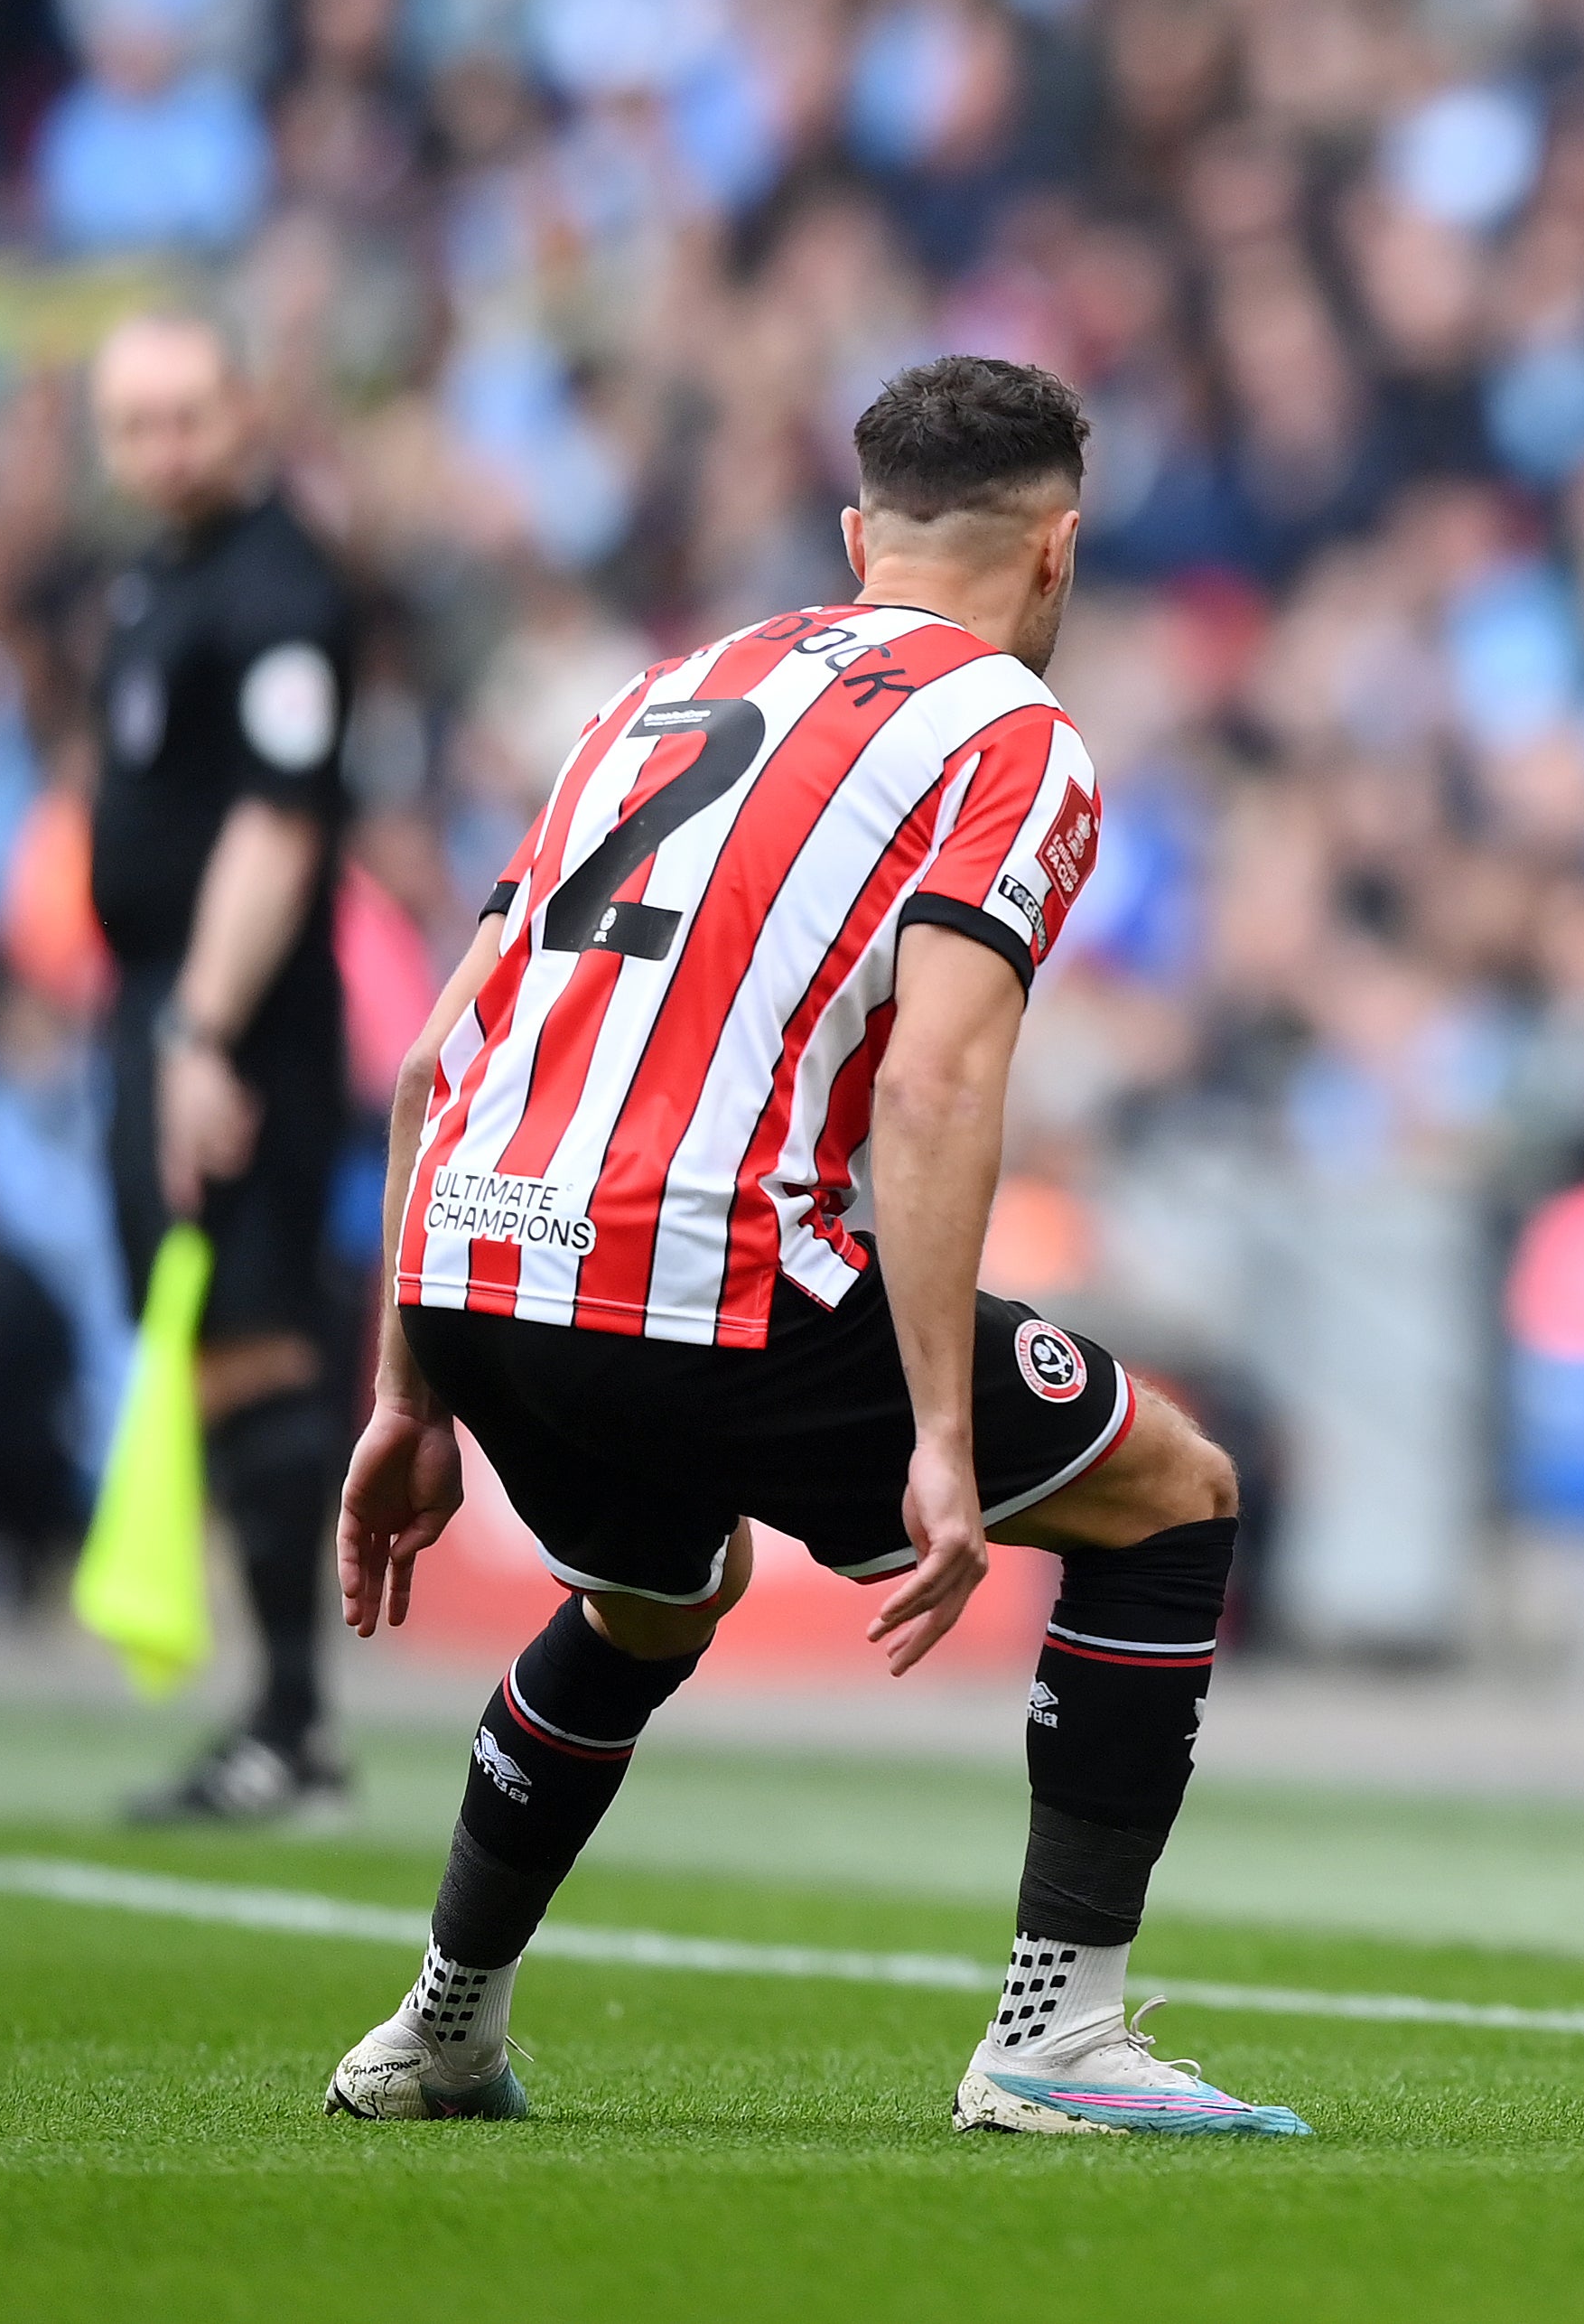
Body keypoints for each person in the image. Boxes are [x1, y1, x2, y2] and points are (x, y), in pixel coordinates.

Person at [321, 356, 1304, 2138]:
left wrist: (406, 1388)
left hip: (474, 1261)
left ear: (858, 537)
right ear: (1060, 555)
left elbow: (422, 1063)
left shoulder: (659, 691)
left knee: (647, 1597)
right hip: (706, 1276)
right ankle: (1055, 2037)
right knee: (1171, 1493)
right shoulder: (1012, 729)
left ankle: (440, 2026)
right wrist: (941, 1433)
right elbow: (933, 1084)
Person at [88, 310, 360, 1824]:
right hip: (152, 1004)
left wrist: (198, 1031)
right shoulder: (161, 573)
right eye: (136, 422)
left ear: (242, 410)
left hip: (231, 1011)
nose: (165, 446)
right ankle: (277, 1724)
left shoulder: (276, 584)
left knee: (252, 1338)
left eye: (189, 415)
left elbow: (277, 821)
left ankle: (294, 1732)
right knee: (202, 1342)